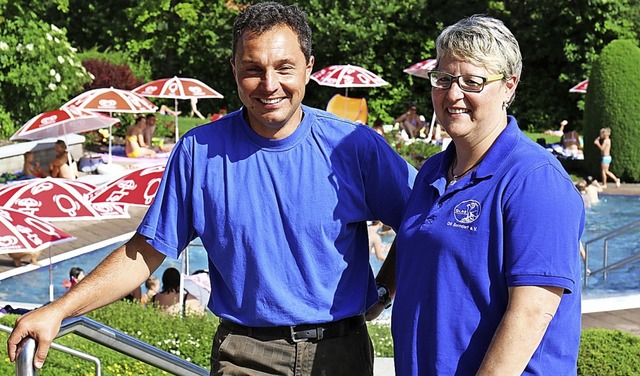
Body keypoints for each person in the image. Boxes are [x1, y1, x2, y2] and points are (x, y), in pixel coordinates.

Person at [8, 3, 416, 374]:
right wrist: (60, 309)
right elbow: (145, 252)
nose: (269, 84)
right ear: (234, 69)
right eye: (253, 68)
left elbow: (422, 223)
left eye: (284, 68)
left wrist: (384, 290)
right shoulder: (199, 152)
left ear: (308, 67)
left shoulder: (354, 147)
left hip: (340, 353)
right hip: (246, 355)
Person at [380, 15, 585, 375]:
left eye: (472, 82)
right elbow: (419, 238)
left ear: (509, 86)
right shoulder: (432, 170)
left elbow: (531, 313)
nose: (453, 93)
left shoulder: (534, 181)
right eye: (444, 79)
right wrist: (377, 296)